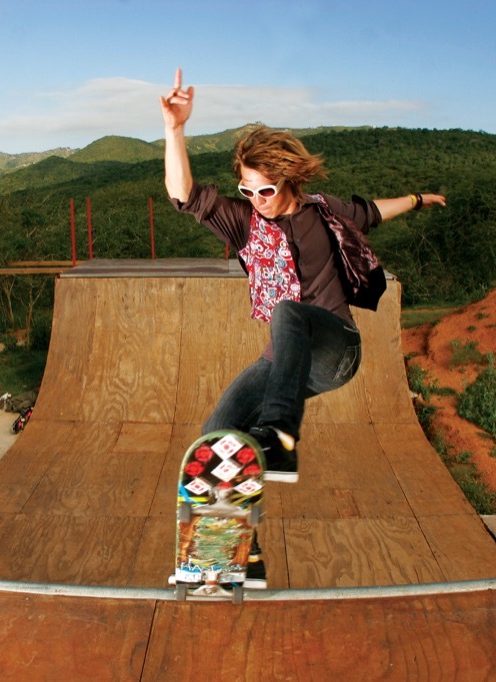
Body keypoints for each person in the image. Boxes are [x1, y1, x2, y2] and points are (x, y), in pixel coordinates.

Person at [160, 67, 446, 486]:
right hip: (284, 365)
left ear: (289, 181)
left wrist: (417, 200)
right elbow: (185, 197)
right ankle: (232, 543)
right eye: (248, 191)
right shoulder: (244, 223)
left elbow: (371, 212)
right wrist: (174, 129)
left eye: (267, 191)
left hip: (335, 350)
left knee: (290, 313)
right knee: (216, 440)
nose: (257, 202)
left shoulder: (323, 211)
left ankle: (278, 436)